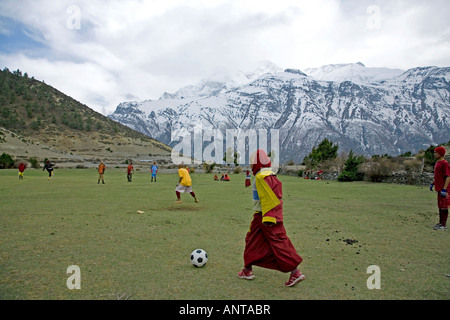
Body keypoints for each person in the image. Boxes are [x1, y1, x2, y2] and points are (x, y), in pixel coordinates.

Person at [238, 149, 305, 287]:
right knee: (251, 240)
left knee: (278, 243)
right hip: (260, 216)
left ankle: (295, 272)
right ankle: (247, 270)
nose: (251, 165)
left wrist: (269, 217)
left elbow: (269, 198)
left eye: (252, 162)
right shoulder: (269, 174)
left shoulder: (261, 177)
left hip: (267, 217)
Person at [430, 146, 450, 230]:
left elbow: (448, 176)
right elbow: (438, 176)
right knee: (440, 206)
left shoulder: (444, 163)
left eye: (436, 152)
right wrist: (433, 183)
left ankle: (444, 224)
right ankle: (440, 222)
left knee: (444, 206)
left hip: (444, 189)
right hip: (439, 188)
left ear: (440, 153)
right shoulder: (438, 162)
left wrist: (444, 188)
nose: (434, 154)